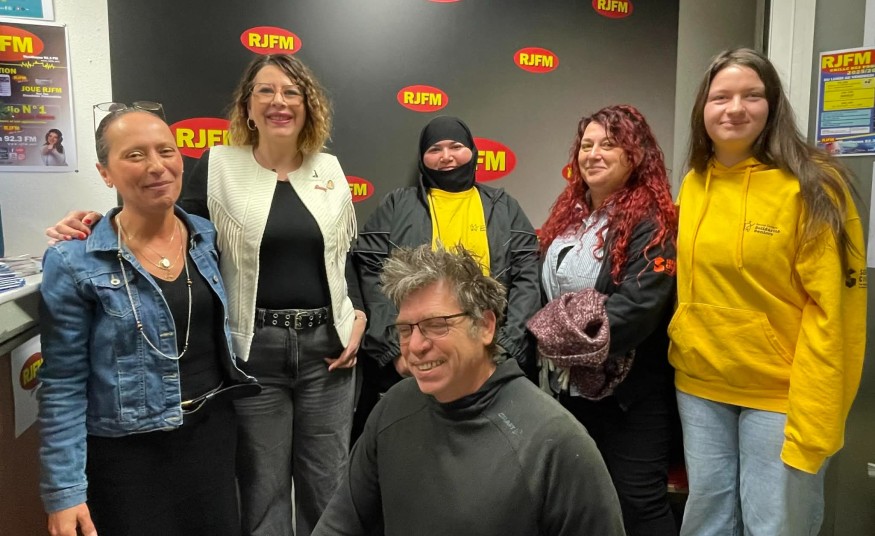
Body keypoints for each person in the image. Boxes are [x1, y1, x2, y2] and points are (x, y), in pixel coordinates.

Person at [45, 54, 366, 536]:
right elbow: (164, 217)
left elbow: (341, 250)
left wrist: (358, 310)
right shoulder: (218, 165)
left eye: (291, 91)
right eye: (265, 90)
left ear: (309, 104)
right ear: (247, 106)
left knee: (329, 483)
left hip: (328, 348)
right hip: (254, 351)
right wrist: (95, 223)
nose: (279, 101)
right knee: (261, 489)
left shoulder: (331, 169)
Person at [669, 48, 867, 536]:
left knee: (775, 525)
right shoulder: (694, 183)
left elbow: (835, 313)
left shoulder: (816, 186)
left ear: (773, 105)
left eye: (751, 95)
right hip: (701, 385)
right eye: (721, 97)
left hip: (779, 394)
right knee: (706, 522)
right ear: (703, 108)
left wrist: (817, 417)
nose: (735, 108)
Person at [38, 107, 260, 536]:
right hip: (127, 457)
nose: (157, 166)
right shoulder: (74, 260)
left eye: (166, 151)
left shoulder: (206, 237)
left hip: (211, 440)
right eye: (135, 155)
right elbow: (62, 383)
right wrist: (64, 491)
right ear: (105, 173)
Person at [312, 245, 626, 536]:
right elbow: (339, 525)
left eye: (437, 324)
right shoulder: (393, 409)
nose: (416, 346)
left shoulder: (555, 442)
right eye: (406, 329)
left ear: (486, 326)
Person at [535, 104, 679, 535]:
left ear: (635, 155)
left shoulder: (653, 222)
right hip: (570, 390)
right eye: (586, 145)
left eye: (609, 144)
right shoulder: (572, 217)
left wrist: (548, 333)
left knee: (637, 502)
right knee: (580, 500)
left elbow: (636, 309)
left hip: (631, 395)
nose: (593, 154)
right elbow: (544, 292)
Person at [352, 115, 540, 438]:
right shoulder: (397, 205)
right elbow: (369, 275)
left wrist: (504, 348)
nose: (446, 156)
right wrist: (394, 351)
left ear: (473, 152)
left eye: (456, 147)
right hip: (414, 363)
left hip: (487, 363)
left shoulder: (505, 208)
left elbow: (527, 278)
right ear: (422, 157)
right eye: (435, 149)